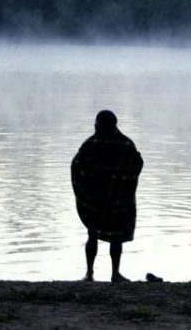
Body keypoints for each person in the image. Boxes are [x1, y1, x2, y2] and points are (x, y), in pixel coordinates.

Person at [71, 110, 143, 282]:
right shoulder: (125, 144)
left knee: (92, 234)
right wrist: (122, 187)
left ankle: (90, 274)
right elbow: (137, 164)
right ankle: (115, 273)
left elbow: (77, 167)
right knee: (116, 238)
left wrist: (87, 191)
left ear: (99, 124)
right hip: (119, 200)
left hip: (96, 201)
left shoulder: (91, 144)